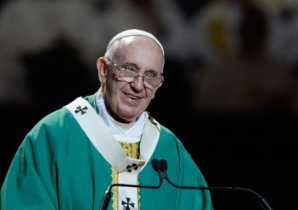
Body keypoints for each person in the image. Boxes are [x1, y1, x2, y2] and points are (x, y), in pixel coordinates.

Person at [0, 29, 214, 210]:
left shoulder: (169, 148)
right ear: (103, 70)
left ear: (159, 84)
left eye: (150, 76)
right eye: (129, 70)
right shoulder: (53, 135)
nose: (138, 86)